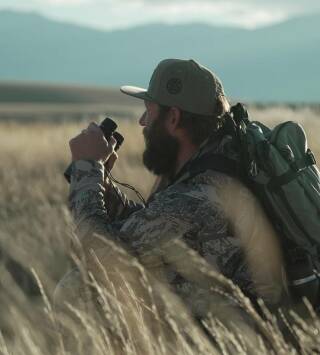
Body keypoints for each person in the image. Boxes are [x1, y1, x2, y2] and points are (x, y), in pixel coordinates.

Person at [56, 59, 287, 328]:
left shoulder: (197, 195)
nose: (143, 122)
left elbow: (102, 256)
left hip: (234, 340)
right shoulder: (218, 168)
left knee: (77, 289)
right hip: (230, 320)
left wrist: (87, 169)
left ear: (173, 118)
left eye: (148, 112)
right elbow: (149, 227)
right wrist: (102, 182)